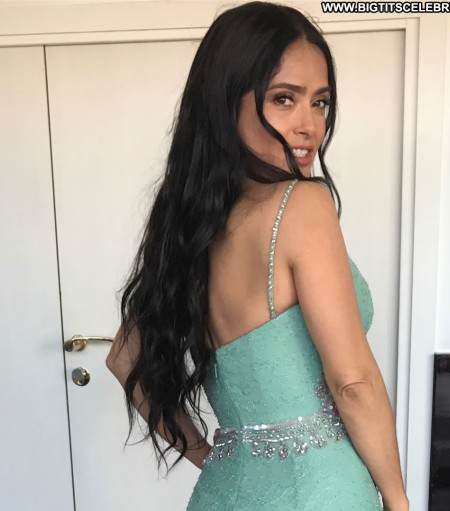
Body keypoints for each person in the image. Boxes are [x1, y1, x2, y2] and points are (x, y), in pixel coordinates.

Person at [106, 2, 409, 510]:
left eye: (320, 102)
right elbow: (354, 383)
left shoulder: (187, 225)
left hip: (223, 493)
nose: (310, 125)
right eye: (284, 99)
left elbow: (123, 358)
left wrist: (215, 458)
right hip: (322, 492)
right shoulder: (302, 206)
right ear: (227, 101)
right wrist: (398, 501)